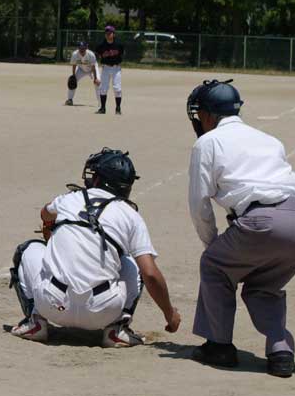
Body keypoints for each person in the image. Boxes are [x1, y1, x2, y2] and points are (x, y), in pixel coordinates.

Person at [186, 79, 295, 378]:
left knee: (215, 266)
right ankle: (280, 348)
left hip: (262, 221)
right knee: (264, 284)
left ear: (208, 115)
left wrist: (213, 245)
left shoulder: (207, 142)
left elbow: (199, 205)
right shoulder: (270, 139)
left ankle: (219, 345)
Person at [9, 148, 181, 346]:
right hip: (103, 311)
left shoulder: (69, 199)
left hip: (52, 304)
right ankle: (118, 329)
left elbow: (45, 214)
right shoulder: (131, 215)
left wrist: (56, 226)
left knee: (28, 249)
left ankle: (35, 322)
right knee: (133, 261)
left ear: (98, 179)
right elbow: (150, 274)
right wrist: (170, 314)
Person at [95, 25, 124, 115]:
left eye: (110, 33)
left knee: (117, 88)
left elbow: (122, 53)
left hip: (116, 68)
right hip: (106, 68)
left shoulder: (119, 44)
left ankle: (118, 108)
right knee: (103, 88)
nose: (108, 35)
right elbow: (98, 53)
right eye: (106, 33)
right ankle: (103, 108)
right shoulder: (101, 45)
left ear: (113, 34)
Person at [65, 41, 100, 106]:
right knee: (72, 82)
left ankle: (100, 102)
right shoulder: (75, 54)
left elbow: (93, 67)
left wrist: (95, 78)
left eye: (83, 48)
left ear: (86, 48)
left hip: (92, 70)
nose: (82, 49)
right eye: (80, 48)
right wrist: (73, 75)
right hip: (81, 69)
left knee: (97, 83)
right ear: (78, 48)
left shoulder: (91, 54)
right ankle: (70, 99)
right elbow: (74, 65)